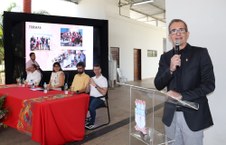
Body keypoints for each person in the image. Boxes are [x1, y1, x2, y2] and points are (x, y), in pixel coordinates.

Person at [154, 19, 215, 145]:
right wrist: (170, 70)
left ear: (187, 34)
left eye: (181, 30)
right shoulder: (165, 58)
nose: (178, 33)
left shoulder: (200, 53)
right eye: (174, 31)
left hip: (193, 115)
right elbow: (158, 84)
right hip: (171, 115)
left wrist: (182, 96)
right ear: (170, 36)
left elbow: (209, 85)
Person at [85, 64, 108, 130]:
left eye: (98, 69)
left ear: (100, 70)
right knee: (82, 103)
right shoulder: (92, 78)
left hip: (100, 98)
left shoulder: (103, 79)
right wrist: (88, 84)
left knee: (91, 106)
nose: (96, 71)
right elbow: (87, 91)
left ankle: (92, 123)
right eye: (95, 69)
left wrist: (95, 85)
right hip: (91, 97)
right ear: (93, 70)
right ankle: (86, 119)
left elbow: (104, 93)